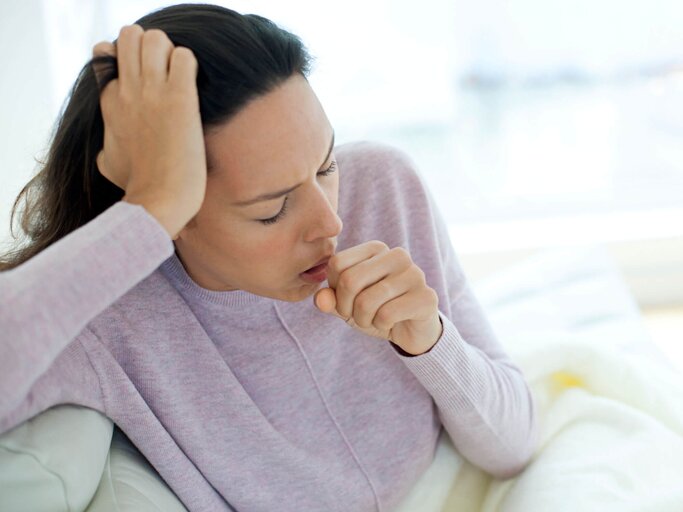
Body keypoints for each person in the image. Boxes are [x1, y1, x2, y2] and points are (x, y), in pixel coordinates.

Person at [0, 4, 538, 511]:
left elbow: (515, 445)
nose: (332, 223)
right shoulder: (108, 317)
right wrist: (149, 208)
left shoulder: (383, 186)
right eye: (272, 209)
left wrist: (431, 340)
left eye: (326, 166)